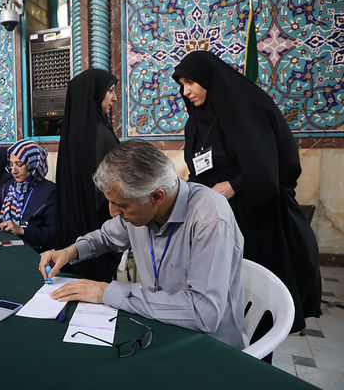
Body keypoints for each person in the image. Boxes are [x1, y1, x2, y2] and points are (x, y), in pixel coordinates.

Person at [40, 139, 246, 349]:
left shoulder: (209, 216)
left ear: (157, 196)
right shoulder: (139, 211)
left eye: (122, 206)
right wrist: (70, 252)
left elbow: (204, 313)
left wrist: (107, 292)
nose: (112, 213)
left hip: (209, 346)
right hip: (156, 327)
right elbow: (104, 237)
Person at [172, 50, 321, 335]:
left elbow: (267, 165)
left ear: (207, 78)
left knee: (253, 307)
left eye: (190, 82)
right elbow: (200, 169)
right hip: (216, 220)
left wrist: (233, 186)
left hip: (255, 219)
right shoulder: (195, 121)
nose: (185, 90)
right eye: (181, 84)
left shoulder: (245, 109)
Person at [54, 68, 121, 282]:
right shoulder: (101, 134)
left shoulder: (70, 132)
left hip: (72, 231)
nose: (114, 97)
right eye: (109, 91)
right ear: (93, 93)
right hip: (97, 231)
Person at [0, 140, 55, 252]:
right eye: (11, 164)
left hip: (36, 253)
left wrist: (21, 230)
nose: (14, 171)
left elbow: (54, 234)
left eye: (19, 164)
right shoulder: (10, 187)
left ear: (33, 164)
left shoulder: (50, 192)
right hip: (9, 249)